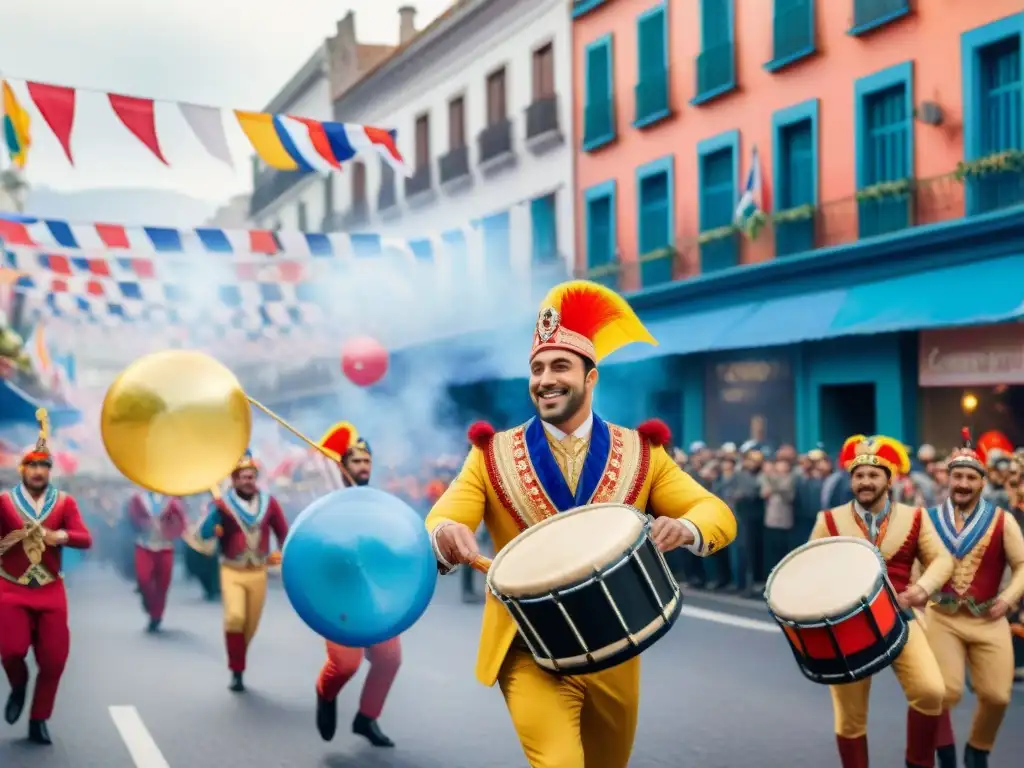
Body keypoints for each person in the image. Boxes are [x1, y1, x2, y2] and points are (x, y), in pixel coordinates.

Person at [424, 280, 737, 768]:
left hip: (614, 645)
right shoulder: (490, 455)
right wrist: (445, 533)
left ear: (591, 378)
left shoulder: (642, 453)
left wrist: (689, 529)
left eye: (560, 366)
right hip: (529, 645)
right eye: (537, 369)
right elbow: (445, 515)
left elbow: (715, 512)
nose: (545, 379)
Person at [810, 435, 954, 768]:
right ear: (851, 480)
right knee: (849, 717)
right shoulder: (828, 520)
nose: (865, 481)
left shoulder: (916, 517)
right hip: (848, 626)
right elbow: (811, 568)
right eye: (859, 475)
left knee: (930, 691)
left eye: (874, 475)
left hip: (901, 618)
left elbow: (942, 559)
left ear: (890, 480)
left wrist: (922, 589)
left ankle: (918, 763)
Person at [923, 429, 1024, 768]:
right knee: (947, 691)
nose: (963, 484)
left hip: (990, 617)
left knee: (997, 696)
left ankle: (978, 748)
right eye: (958, 476)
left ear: (982, 482)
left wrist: (1008, 599)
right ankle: (944, 748)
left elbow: (1022, 565)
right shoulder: (928, 520)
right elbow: (912, 568)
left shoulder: (1002, 520)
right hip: (942, 618)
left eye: (970, 477)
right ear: (948, 479)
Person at [0, 408, 92, 744]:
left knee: (54, 660)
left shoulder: (64, 503)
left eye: (44, 466)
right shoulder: (4, 502)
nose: (38, 471)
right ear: (22, 469)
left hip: (51, 590)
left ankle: (39, 718)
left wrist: (60, 536)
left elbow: (85, 538)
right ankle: (18, 683)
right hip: (11, 588)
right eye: (32, 465)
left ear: (50, 470)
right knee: (11, 650)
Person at [313, 422, 401, 748]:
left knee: (389, 658)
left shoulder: (379, 503)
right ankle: (325, 692)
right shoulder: (326, 503)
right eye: (356, 461)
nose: (363, 467)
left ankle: (367, 717)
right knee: (345, 664)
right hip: (338, 596)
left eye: (367, 461)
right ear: (343, 465)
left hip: (373, 596)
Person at [197, 451, 288, 692]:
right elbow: (204, 534)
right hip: (232, 570)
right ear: (234, 480)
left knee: (251, 624)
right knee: (235, 618)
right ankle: (236, 670)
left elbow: (283, 532)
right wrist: (214, 519)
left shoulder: (269, 502)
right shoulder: (222, 504)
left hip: (258, 570)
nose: (248, 481)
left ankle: (237, 654)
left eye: (252, 477)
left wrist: (285, 555)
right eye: (244, 477)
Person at [127, 489, 187, 632]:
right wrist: (144, 523)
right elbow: (131, 519)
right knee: (144, 578)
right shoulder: (138, 498)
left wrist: (167, 529)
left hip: (165, 546)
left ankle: (156, 616)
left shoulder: (172, 501)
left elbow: (180, 522)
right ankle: (147, 601)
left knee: (162, 584)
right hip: (144, 544)